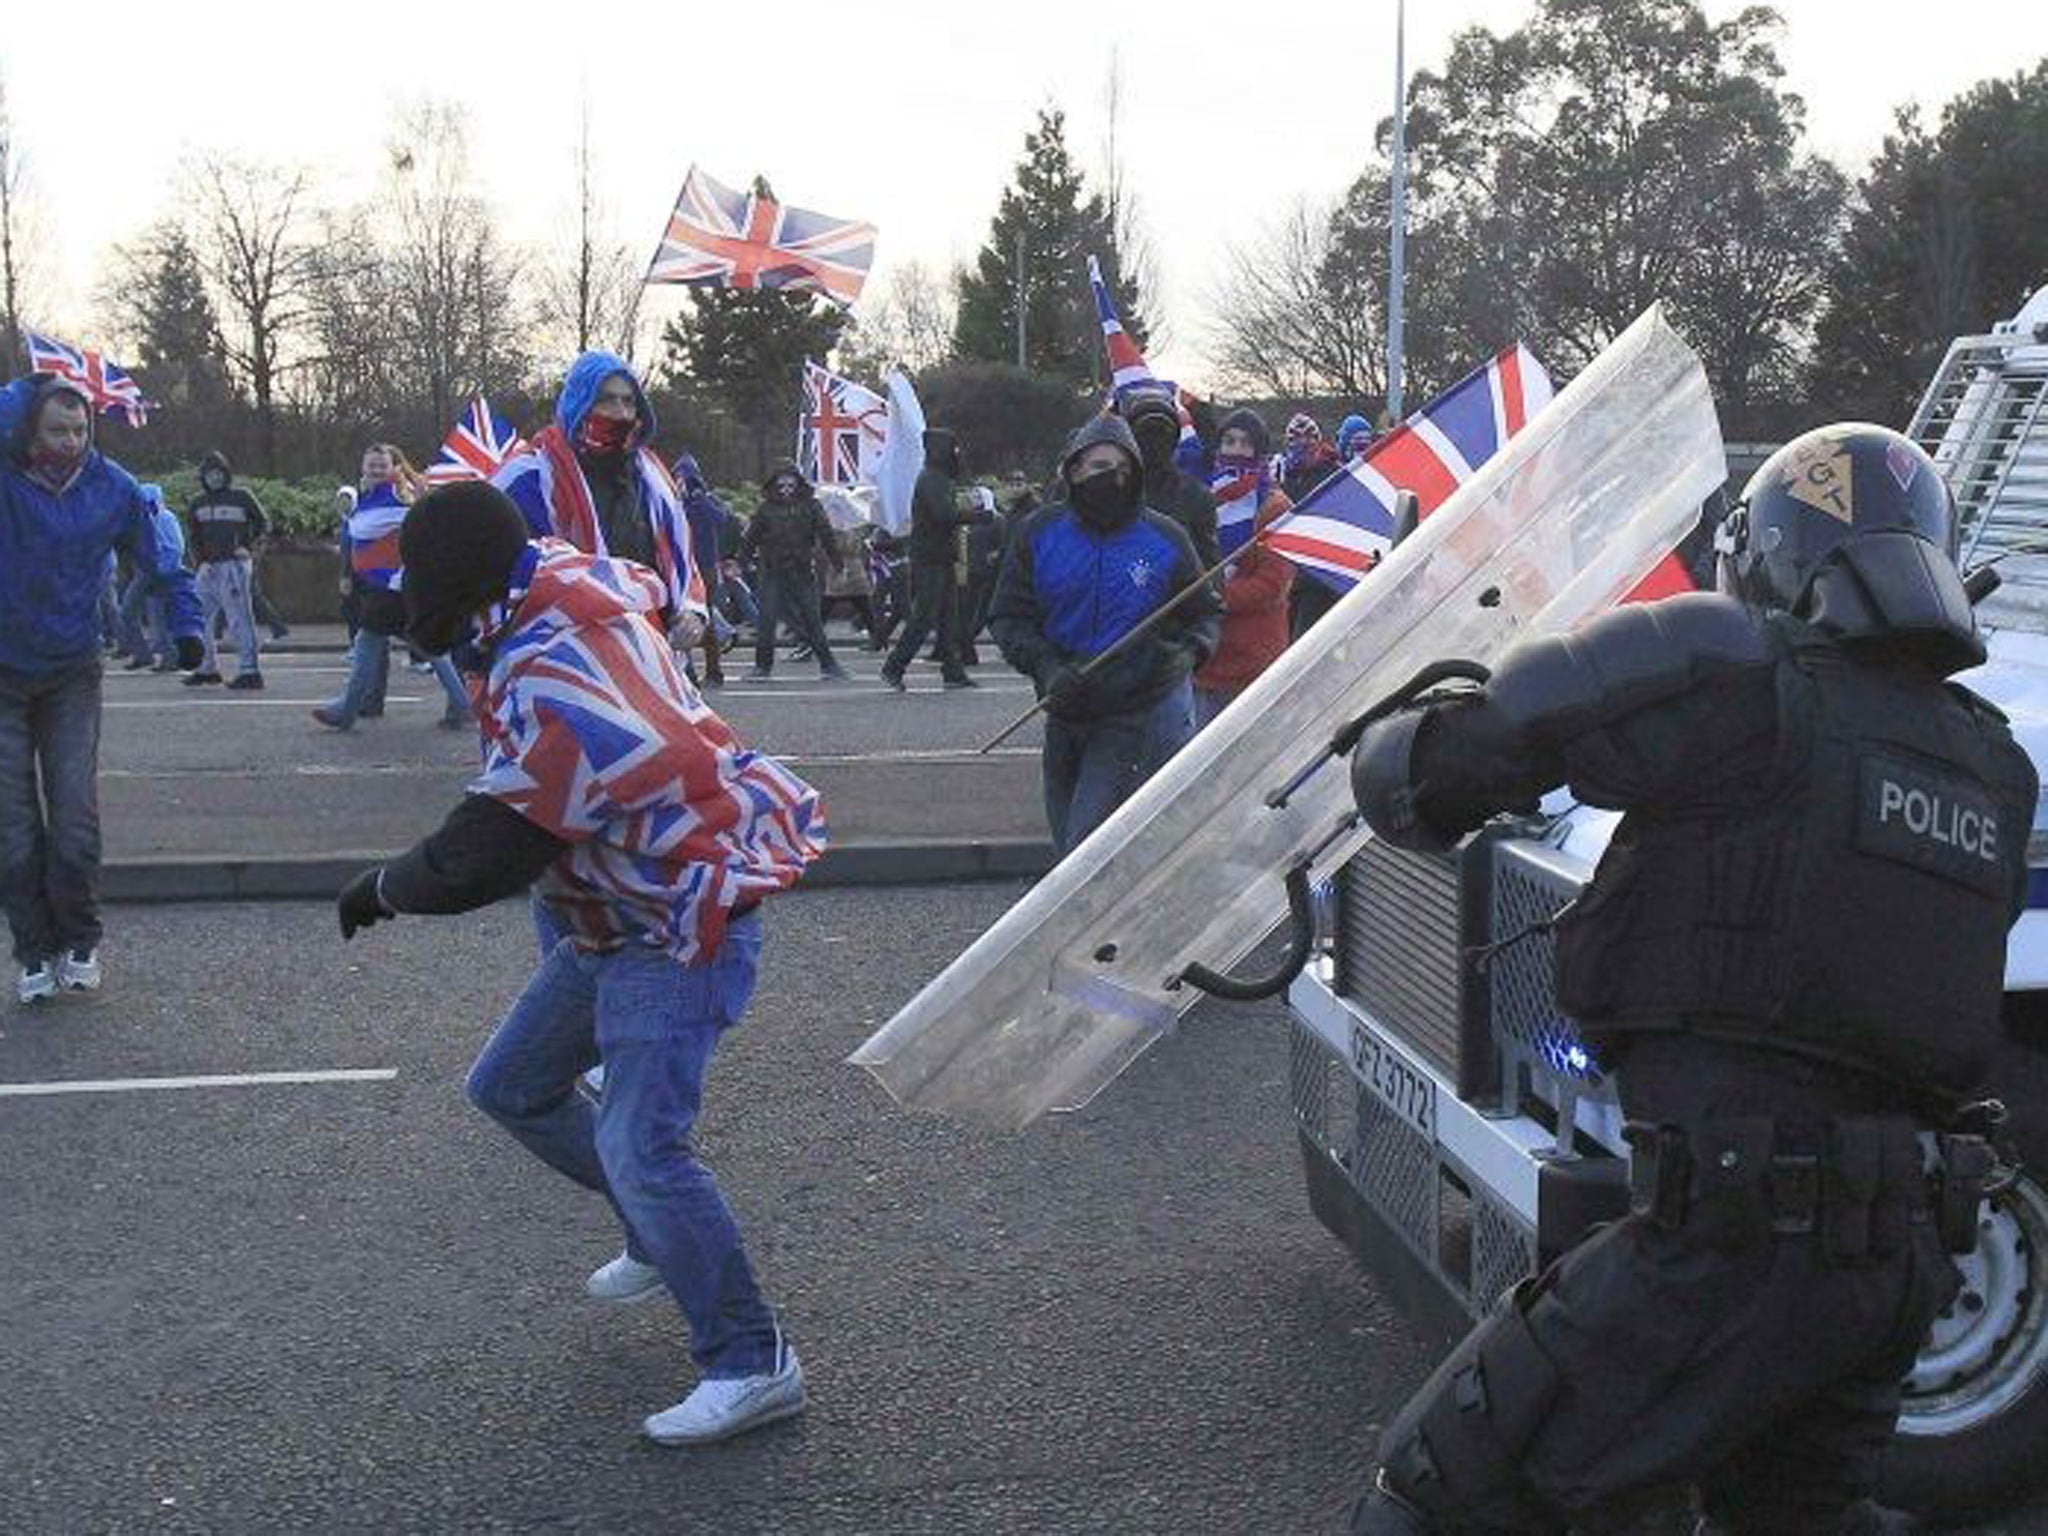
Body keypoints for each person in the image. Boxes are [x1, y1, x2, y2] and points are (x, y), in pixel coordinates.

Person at [1346, 424, 2037, 1536]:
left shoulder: (1737, 672)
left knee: (1439, 1492)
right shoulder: (1989, 764)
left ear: (1764, 555)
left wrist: (1389, 742)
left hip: (1728, 1240)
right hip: (1898, 1257)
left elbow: (1441, 774)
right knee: (1794, 1517)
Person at [335, 480, 825, 1445]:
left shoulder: (563, 674)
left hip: (678, 925)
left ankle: (751, 1359)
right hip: (611, 915)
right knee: (511, 1087)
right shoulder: (550, 583)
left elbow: (488, 849)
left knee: (643, 1147)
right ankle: (654, 1235)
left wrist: (381, 888)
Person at [0, 375, 203, 1004]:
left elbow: (160, 558)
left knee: (75, 817)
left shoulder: (110, 486)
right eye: (57, 431)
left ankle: (80, 938)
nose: (70, 443)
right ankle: (34, 950)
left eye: (80, 430)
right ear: (27, 430)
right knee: (11, 828)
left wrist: (187, 626)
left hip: (70, 669)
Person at [990, 416, 1221, 854]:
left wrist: (1191, 651)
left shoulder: (1165, 538)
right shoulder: (1038, 533)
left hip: (1131, 713)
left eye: (1122, 468)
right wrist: (1046, 664)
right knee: (1065, 843)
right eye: (1099, 466)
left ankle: (1092, 919)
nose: (1111, 477)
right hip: (1063, 707)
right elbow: (1008, 615)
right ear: (1074, 471)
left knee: (1085, 848)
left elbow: (1205, 610)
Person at [493, 351, 707, 653]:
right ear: (579, 403)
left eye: (629, 401)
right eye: (606, 400)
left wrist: (691, 612)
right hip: (558, 656)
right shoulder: (528, 476)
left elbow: (681, 558)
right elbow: (501, 567)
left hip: (652, 651)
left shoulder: (652, 479)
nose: (620, 414)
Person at [315, 445, 469, 731]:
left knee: (367, 646)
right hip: (387, 586)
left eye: (381, 466)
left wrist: (407, 485)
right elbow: (356, 533)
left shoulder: (399, 491)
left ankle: (346, 710)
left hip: (390, 587)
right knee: (428, 646)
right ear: (362, 468)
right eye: (371, 465)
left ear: (392, 468)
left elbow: (420, 507)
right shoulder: (367, 496)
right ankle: (462, 705)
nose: (375, 471)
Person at [1195, 410, 1293, 727]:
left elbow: (1272, 584)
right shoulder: (1203, 500)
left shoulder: (1275, 507)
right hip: (1205, 657)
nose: (1235, 449)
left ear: (1259, 451)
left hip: (1253, 660)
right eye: (1229, 440)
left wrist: (1213, 595)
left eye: (1245, 443)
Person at [882, 428, 989, 691]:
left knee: (948, 618)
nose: (956, 453)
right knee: (925, 616)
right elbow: (943, 514)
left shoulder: (937, 477)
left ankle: (952, 671)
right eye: (953, 448)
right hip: (930, 556)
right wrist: (977, 516)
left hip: (939, 555)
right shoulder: (932, 479)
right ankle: (894, 666)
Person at [739, 461, 848, 682]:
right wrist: (740, 562)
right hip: (772, 570)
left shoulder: (811, 506)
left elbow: (827, 535)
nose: (786, 490)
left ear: (798, 484)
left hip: (801, 569)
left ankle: (829, 664)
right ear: (775, 485)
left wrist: (838, 565)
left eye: (791, 485)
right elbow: (750, 539)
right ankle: (762, 667)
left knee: (812, 619)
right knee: (767, 620)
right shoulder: (766, 509)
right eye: (782, 485)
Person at [183, 449, 268, 690]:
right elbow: (194, 537)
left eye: (219, 473)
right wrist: (200, 562)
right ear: (203, 477)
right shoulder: (197, 503)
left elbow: (263, 524)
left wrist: (249, 548)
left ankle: (250, 670)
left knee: (238, 617)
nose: (215, 478)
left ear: (226, 473)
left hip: (234, 564)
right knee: (199, 617)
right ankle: (206, 667)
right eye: (210, 474)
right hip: (208, 568)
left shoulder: (241, 497)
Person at [1116, 383, 1221, 570]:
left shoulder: (1196, 496)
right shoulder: (1102, 487)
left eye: (1162, 432)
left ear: (1174, 438)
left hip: (1177, 594)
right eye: (1144, 433)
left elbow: (1209, 571)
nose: (1153, 442)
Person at [673, 453, 734, 688]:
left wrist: (700, 499)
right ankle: (687, 672)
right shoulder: (673, 500)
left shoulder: (705, 501)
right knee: (677, 619)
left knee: (704, 619)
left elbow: (723, 520)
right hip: (681, 566)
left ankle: (713, 670)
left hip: (704, 567)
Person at [117, 485, 188, 672]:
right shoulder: (150, 519)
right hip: (149, 569)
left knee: (131, 611)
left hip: (154, 570)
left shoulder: (165, 519)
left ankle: (153, 655)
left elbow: (176, 547)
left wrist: (160, 566)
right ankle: (164, 656)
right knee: (155, 615)